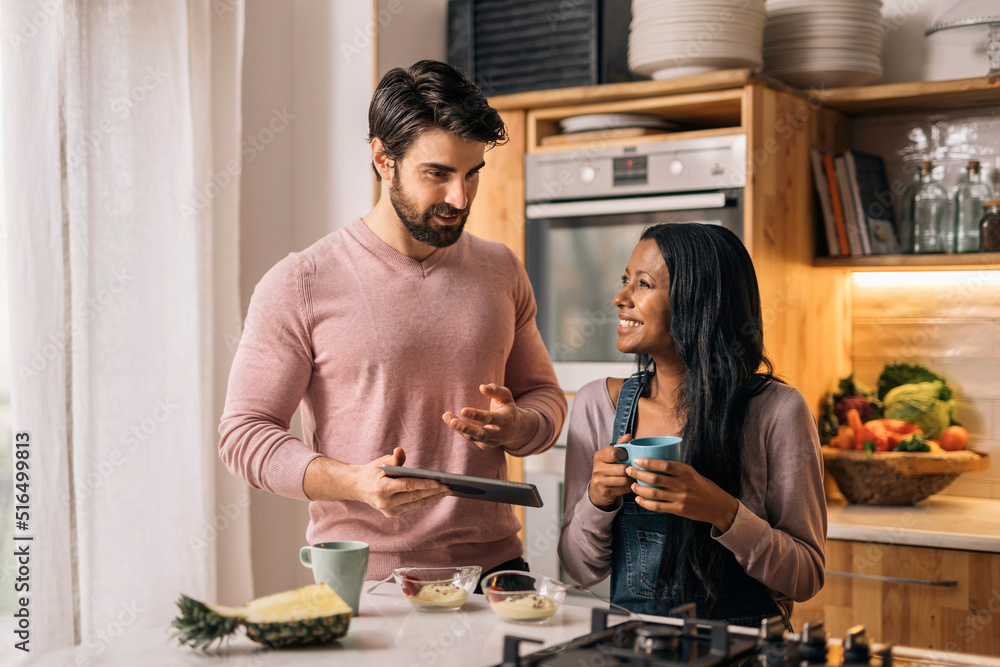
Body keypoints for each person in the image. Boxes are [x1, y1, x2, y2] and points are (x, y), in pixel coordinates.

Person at [220, 60, 566, 582]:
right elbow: (245, 435)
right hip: (365, 580)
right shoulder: (301, 281)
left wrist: (521, 427)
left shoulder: (501, 269)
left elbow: (545, 398)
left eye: (472, 173)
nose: (460, 198)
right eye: (438, 173)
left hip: (497, 574)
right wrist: (354, 482)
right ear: (383, 158)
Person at [557, 222, 826, 626]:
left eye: (643, 284)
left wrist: (724, 512)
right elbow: (581, 569)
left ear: (698, 299)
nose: (620, 298)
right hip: (639, 649)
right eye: (625, 281)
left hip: (742, 651)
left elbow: (805, 577)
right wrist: (597, 501)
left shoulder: (778, 411)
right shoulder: (599, 405)